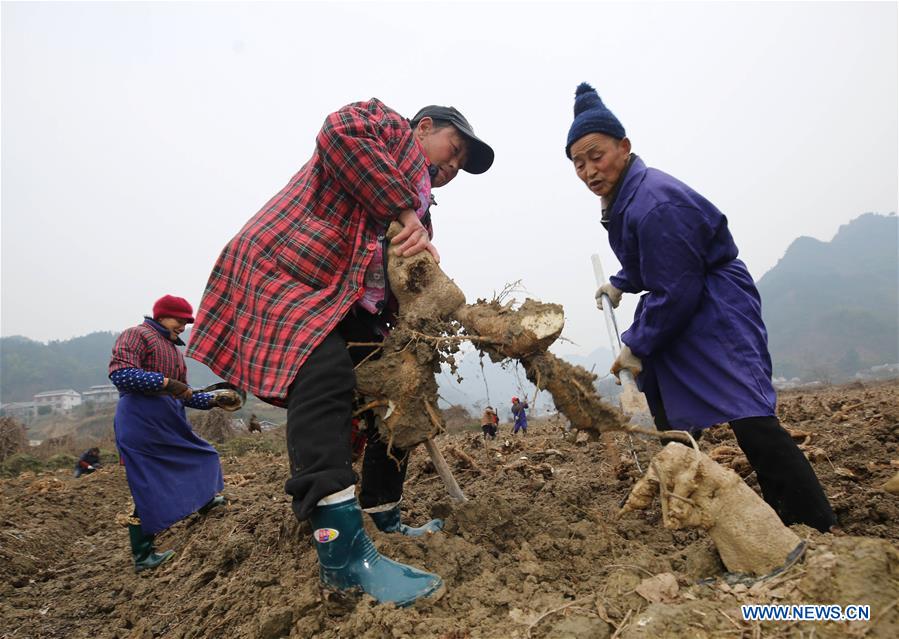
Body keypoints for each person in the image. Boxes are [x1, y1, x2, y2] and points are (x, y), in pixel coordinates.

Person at [187, 98, 494, 606]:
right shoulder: (386, 128)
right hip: (289, 271)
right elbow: (338, 132)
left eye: (461, 164)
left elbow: (390, 284)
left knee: (402, 393)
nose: (453, 165)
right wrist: (402, 211)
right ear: (424, 128)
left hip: (349, 304)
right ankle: (342, 553)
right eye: (454, 148)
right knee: (324, 374)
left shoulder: (420, 217)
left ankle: (383, 512)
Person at [565, 82, 837, 533]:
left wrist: (637, 343)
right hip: (685, 294)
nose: (589, 170)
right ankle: (686, 491)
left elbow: (676, 287)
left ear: (624, 147)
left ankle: (810, 521)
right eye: (578, 164)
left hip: (714, 306)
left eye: (596, 156)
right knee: (665, 398)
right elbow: (651, 260)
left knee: (747, 410)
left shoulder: (653, 202)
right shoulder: (627, 197)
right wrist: (620, 282)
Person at [109, 295, 235, 573]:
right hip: (141, 421)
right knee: (148, 485)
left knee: (203, 455)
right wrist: (166, 382)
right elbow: (121, 374)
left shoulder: (174, 351)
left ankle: (205, 501)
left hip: (169, 420)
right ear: (162, 315)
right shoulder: (136, 335)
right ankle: (143, 556)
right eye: (180, 320)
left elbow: (184, 394)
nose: (183, 326)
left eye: (187, 321)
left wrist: (214, 400)